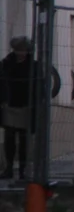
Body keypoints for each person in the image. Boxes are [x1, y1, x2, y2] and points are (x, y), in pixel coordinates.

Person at [1, 37, 34, 180]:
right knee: (9, 138)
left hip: (26, 105)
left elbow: (40, 85)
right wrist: (3, 100)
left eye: (23, 50)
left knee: (24, 139)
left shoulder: (33, 66)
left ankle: (22, 168)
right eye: (18, 50)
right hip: (10, 105)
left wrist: (36, 103)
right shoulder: (6, 64)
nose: (21, 53)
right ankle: (9, 168)